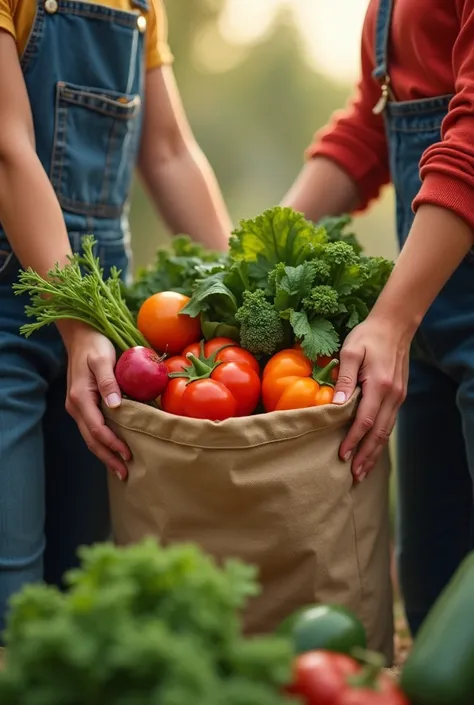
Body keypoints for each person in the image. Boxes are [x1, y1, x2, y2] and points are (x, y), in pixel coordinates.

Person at [0, 0, 231, 633]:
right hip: (19, 322)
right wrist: (80, 326)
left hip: (106, 327)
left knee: (89, 586)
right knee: (12, 598)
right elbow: (6, 147)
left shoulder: (140, 4)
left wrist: (237, 294)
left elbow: (169, 153)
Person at [283, 0, 474, 636]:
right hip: (428, 329)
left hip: (413, 311)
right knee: (430, 597)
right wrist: (262, 255)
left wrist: (391, 318)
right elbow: (370, 128)